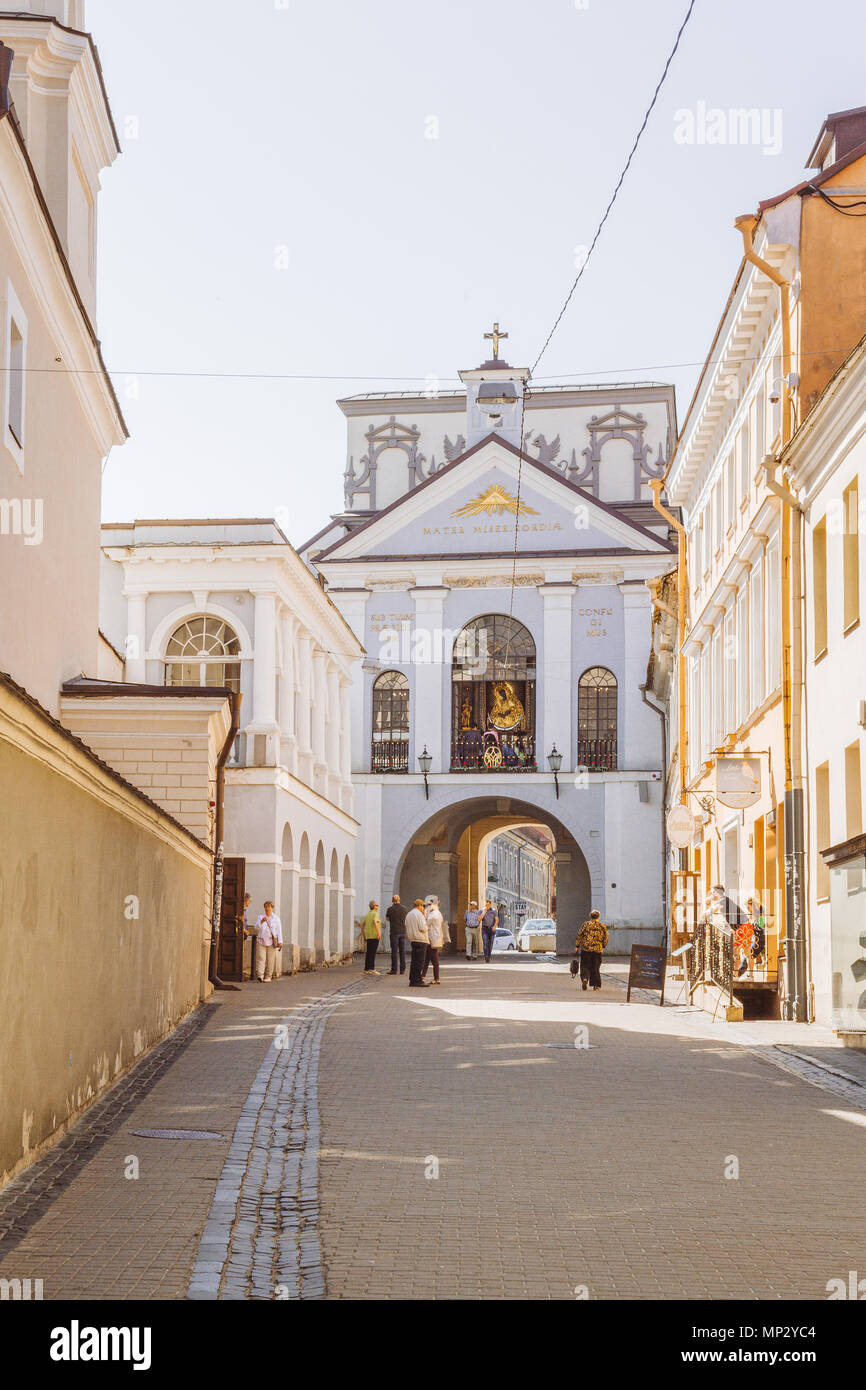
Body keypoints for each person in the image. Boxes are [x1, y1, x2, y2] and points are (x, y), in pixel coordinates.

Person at [575, 909, 608, 991]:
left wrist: (577, 945)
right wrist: (603, 946)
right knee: (595, 967)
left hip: (586, 949)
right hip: (597, 950)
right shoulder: (602, 926)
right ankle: (596, 985)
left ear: (590, 916)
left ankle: (585, 978)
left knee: (585, 965)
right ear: (598, 917)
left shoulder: (585, 924)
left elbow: (580, 934)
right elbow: (606, 937)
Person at [253, 901, 283, 982]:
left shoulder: (276, 918)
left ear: (272, 908)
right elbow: (256, 927)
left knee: (270, 959)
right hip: (261, 940)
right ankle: (260, 975)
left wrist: (280, 941)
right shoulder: (260, 917)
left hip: (271, 941)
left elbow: (279, 930)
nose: (267, 908)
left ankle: (268, 976)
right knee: (261, 958)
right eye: (266, 907)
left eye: (269, 907)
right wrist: (261, 921)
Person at [405, 898, 430, 987]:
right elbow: (422, 928)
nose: (423, 908)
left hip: (413, 940)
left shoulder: (409, 914)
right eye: (423, 906)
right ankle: (417, 980)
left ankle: (412, 980)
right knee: (420, 962)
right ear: (419, 905)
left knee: (414, 962)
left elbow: (406, 925)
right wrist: (428, 927)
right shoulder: (419, 914)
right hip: (421, 940)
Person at [423, 895, 445, 985]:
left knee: (432, 959)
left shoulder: (433, 914)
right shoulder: (438, 913)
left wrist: (425, 913)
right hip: (435, 937)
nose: (427, 906)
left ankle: (436, 978)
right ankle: (425, 976)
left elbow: (426, 925)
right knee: (428, 958)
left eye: (429, 904)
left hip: (431, 938)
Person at [386, 894, 408, 975]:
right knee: (402, 951)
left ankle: (394, 969)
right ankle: (402, 969)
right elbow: (406, 919)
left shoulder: (390, 909)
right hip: (402, 931)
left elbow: (387, 918)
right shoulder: (404, 909)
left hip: (394, 932)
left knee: (394, 952)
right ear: (399, 900)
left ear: (392, 900)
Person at [361, 900, 382, 975]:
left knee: (368, 953)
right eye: (377, 905)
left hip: (368, 936)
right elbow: (375, 923)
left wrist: (363, 935)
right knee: (372, 953)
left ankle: (366, 968)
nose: (378, 907)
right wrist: (378, 933)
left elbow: (362, 925)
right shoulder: (375, 914)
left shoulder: (367, 915)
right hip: (374, 935)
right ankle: (372, 969)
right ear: (374, 906)